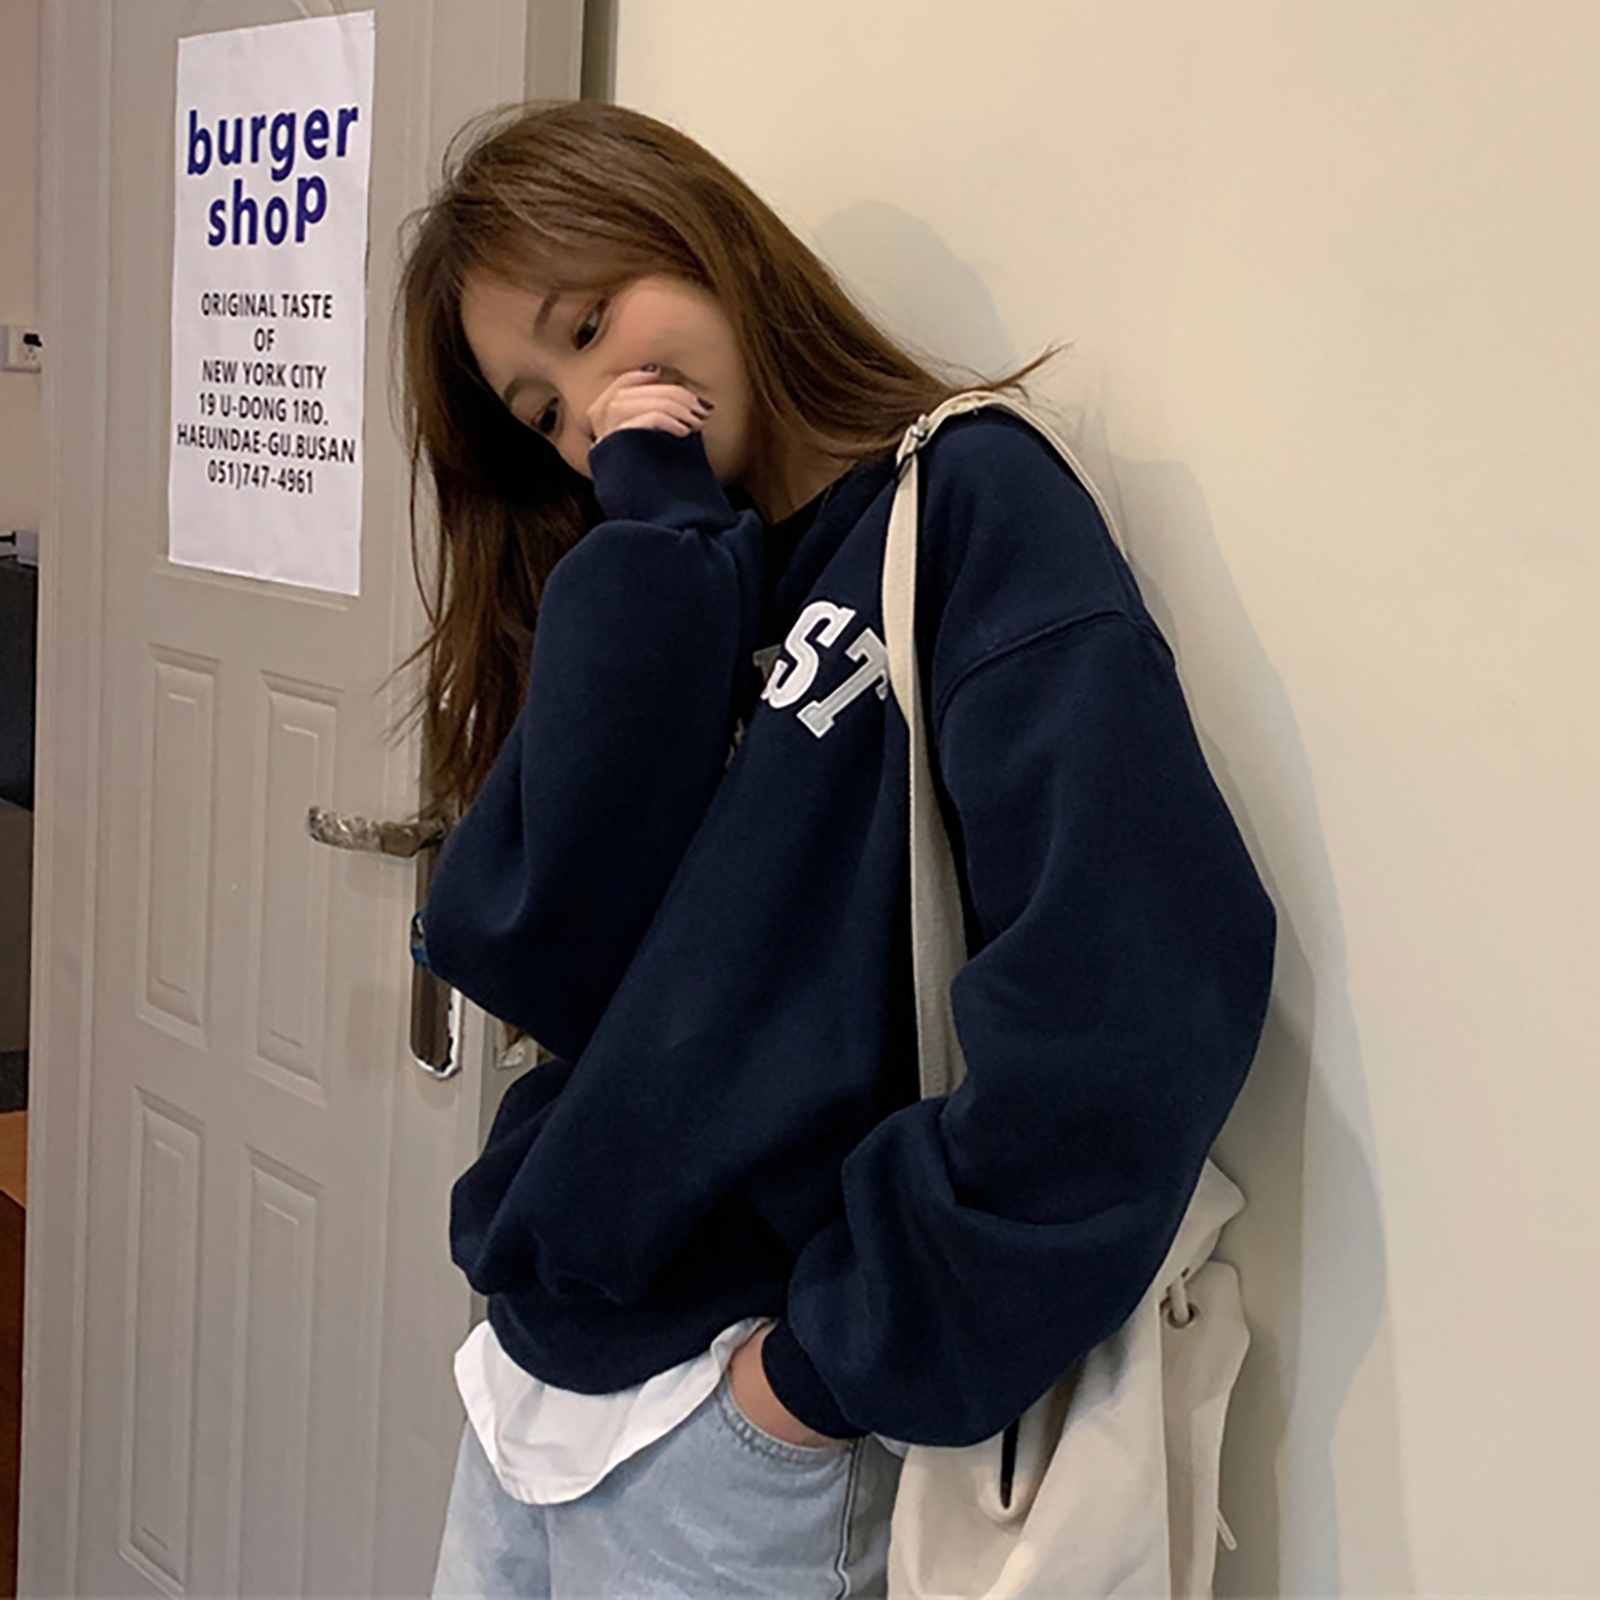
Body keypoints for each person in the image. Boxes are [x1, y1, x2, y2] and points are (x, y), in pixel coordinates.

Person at [396, 99, 1276, 1600]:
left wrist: (822, 1375)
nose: (596, 409)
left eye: (591, 326)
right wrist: (657, 549)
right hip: (531, 1383)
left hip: (749, 1433)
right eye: (544, 412)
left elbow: (1137, 990)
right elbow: (527, 944)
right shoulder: (662, 581)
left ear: (710, 239)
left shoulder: (967, 505)